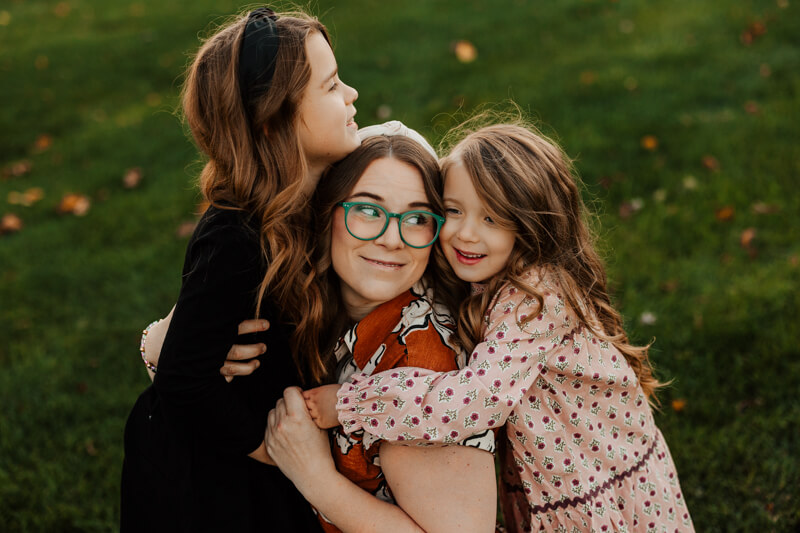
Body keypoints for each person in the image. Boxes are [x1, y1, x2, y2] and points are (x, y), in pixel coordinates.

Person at [320, 122, 695, 532]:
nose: (465, 233)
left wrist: (350, 402)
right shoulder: (488, 273)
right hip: (554, 482)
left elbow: (476, 401)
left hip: (598, 488)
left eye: (492, 218)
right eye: (453, 210)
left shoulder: (536, 300)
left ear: (530, 222)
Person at [143, 122, 497, 532]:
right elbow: (192, 395)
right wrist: (160, 344)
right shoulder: (302, 298)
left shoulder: (420, 356)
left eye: (416, 217)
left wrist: (316, 480)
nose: (392, 238)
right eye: (367, 210)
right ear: (325, 213)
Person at [121, 7, 359, 532]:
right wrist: (276, 453)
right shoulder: (234, 237)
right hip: (211, 476)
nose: (352, 95)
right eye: (333, 85)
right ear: (275, 120)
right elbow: (184, 379)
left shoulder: (317, 195)